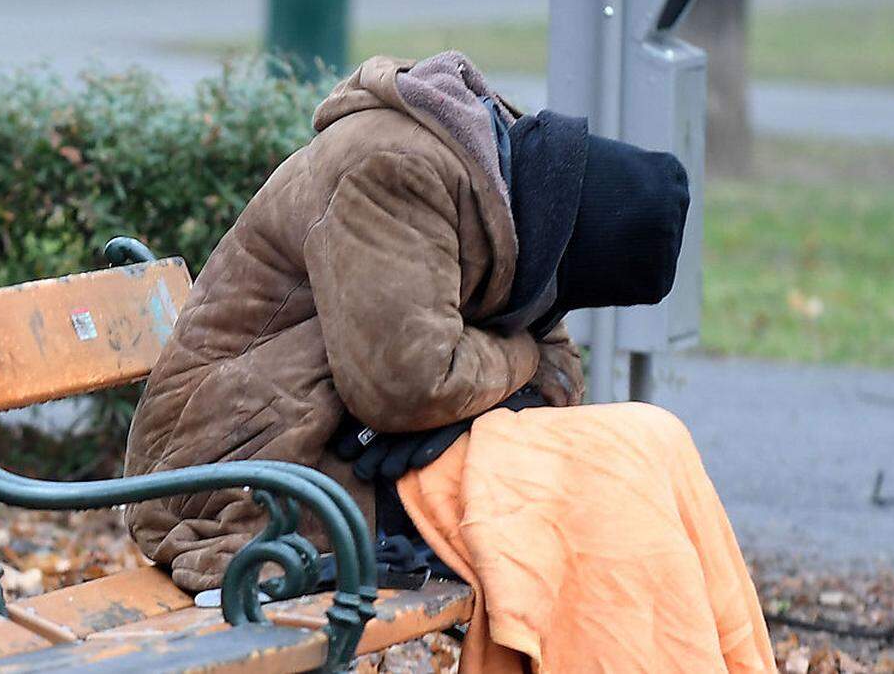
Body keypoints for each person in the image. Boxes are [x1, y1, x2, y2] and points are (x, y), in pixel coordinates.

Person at [124, 52, 774, 672]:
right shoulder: (396, 173)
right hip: (242, 484)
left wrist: (502, 365)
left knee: (647, 444)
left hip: (329, 451)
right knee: (587, 492)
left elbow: (557, 376)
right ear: (555, 236)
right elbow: (409, 385)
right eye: (553, 291)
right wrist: (517, 354)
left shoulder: (498, 184)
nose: (547, 313)